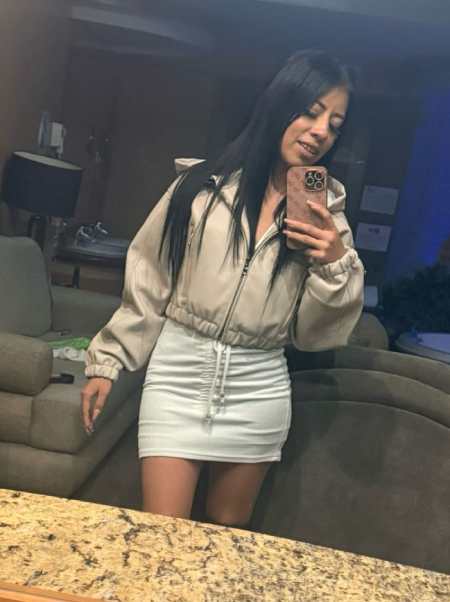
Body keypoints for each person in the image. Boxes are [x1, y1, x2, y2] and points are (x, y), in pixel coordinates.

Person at [81, 49, 365, 527]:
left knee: (226, 535)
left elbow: (314, 334)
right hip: (179, 371)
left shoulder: (326, 216)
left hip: (259, 383)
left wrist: (334, 266)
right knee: (162, 531)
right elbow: (149, 280)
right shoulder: (198, 186)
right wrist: (107, 361)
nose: (321, 131)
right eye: (311, 111)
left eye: (334, 125)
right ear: (279, 104)